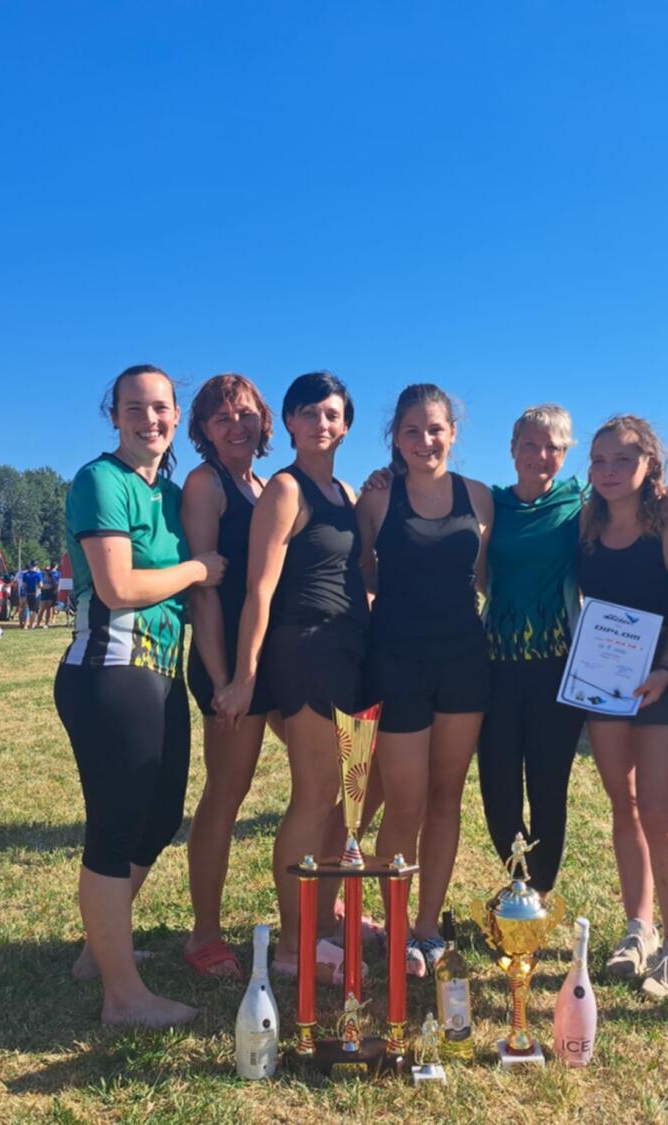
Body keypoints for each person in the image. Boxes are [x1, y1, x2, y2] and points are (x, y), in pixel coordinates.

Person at [55, 363, 225, 1027]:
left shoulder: (171, 494)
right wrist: (197, 569)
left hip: (161, 674)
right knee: (116, 825)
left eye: (160, 408)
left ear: (176, 417)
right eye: (135, 407)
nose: (149, 419)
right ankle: (123, 998)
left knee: (157, 821)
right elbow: (118, 587)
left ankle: (99, 953)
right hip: (110, 672)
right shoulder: (101, 480)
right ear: (115, 416)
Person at [215, 372, 369, 981]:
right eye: (308, 413)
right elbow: (260, 588)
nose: (320, 423)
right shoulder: (285, 489)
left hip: (351, 653)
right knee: (315, 796)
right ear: (289, 424)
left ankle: (323, 922)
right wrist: (245, 676)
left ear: (346, 425)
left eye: (331, 414)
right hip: (305, 651)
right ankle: (291, 948)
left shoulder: (347, 493)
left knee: (341, 798)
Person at [356, 384, 493, 976]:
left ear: (452, 433)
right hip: (396, 664)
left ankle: (427, 926)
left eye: (435, 429)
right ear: (396, 437)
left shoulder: (480, 498)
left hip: (463, 663)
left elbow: (485, 578)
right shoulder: (377, 499)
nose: (425, 440)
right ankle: (393, 927)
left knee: (445, 798)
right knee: (404, 803)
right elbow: (360, 573)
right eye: (412, 430)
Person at [574, 415, 668, 999]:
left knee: (658, 813)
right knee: (623, 806)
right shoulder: (587, 524)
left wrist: (666, 670)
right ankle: (639, 929)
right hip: (604, 683)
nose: (609, 471)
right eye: (599, 461)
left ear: (650, 463)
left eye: (623, 459)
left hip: (666, 680)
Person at [179, 373, 276, 978]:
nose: (236, 426)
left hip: (270, 658)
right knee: (226, 794)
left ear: (264, 419)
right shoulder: (206, 483)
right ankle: (204, 936)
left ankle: (325, 910)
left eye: (245, 414)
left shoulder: (265, 485)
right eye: (222, 418)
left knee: (332, 776)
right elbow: (204, 589)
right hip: (229, 668)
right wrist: (223, 681)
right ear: (203, 430)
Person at [477, 407, 590, 912]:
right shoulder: (491, 502)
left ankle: (538, 891)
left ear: (565, 454)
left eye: (554, 447)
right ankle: (516, 881)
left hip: (557, 667)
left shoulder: (579, 503)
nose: (541, 456)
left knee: (548, 784)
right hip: (495, 664)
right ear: (512, 447)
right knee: (498, 783)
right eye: (531, 444)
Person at [19, 562, 44, 629]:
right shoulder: (38, 574)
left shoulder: (25, 574)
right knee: (34, 610)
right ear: (36, 566)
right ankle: (31, 624)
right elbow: (40, 585)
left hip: (28, 593)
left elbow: (24, 585)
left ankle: (26, 624)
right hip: (36, 594)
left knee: (28, 609)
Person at [38, 562, 59, 627]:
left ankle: (46, 623)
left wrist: (55, 589)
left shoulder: (52, 575)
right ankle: (38, 623)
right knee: (42, 608)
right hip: (44, 591)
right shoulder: (42, 574)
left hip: (50, 591)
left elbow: (56, 584)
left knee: (48, 608)